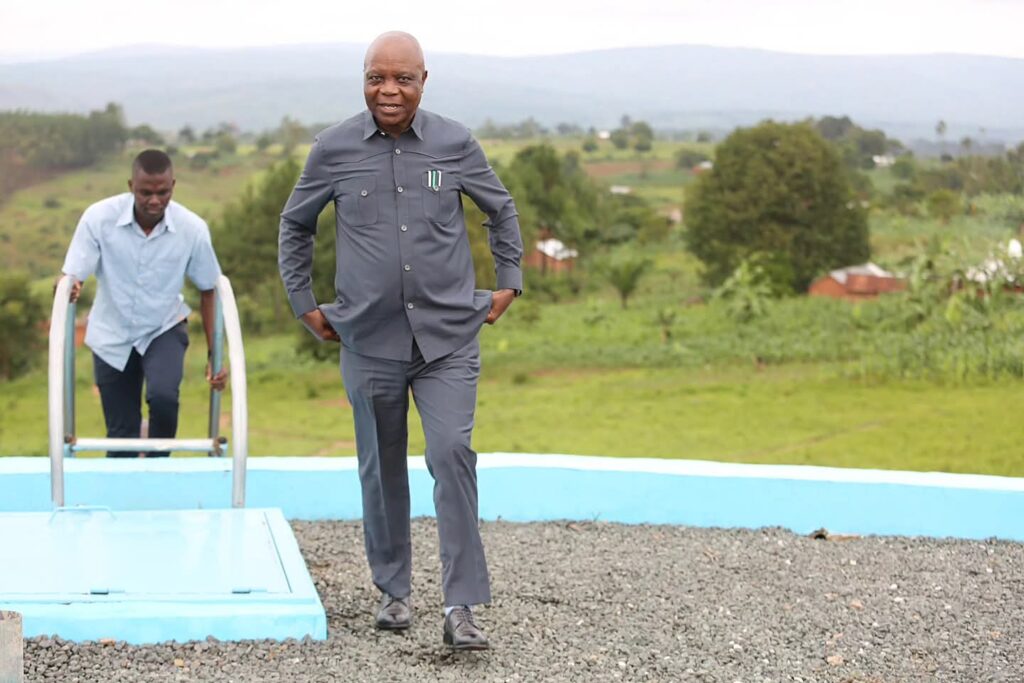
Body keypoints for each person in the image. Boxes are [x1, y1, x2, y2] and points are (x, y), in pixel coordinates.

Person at [278, 31, 523, 650]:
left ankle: (461, 606)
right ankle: (394, 591)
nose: (388, 90)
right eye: (376, 78)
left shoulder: (455, 143)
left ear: (423, 81)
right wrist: (304, 302)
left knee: (452, 453)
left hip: (448, 337)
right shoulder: (332, 149)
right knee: (380, 465)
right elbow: (295, 225)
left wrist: (509, 281)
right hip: (368, 339)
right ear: (363, 80)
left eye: (402, 79)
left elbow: (500, 209)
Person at [60, 149, 227, 457]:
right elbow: (72, 275)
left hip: (163, 326)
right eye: (145, 193)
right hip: (111, 331)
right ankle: (122, 480)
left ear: (173, 186)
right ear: (131, 186)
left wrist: (214, 353)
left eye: (162, 192)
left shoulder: (192, 229)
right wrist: (72, 285)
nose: (154, 201)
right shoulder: (99, 218)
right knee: (121, 431)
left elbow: (209, 289)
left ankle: (158, 465)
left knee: (164, 398)